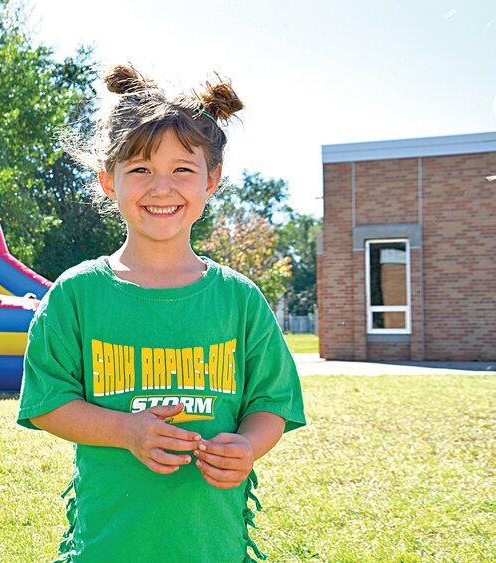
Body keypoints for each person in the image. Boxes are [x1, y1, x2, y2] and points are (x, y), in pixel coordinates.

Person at [17, 63, 305, 562]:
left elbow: (271, 404)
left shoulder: (239, 299)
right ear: (110, 181)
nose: (161, 187)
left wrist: (248, 446)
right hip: (107, 543)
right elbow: (45, 403)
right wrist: (126, 431)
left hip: (212, 544)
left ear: (211, 180)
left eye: (182, 170)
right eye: (141, 169)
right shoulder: (77, 293)